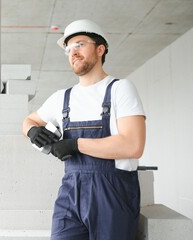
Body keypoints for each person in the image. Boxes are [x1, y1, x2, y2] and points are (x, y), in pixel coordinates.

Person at [22, 19, 146, 240]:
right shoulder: (62, 97)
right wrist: (32, 131)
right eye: (69, 48)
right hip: (71, 192)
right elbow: (28, 120)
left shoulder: (120, 89)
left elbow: (133, 145)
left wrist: (75, 144)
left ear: (100, 49)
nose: (73, 52)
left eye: (80, 44)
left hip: (113, 193)